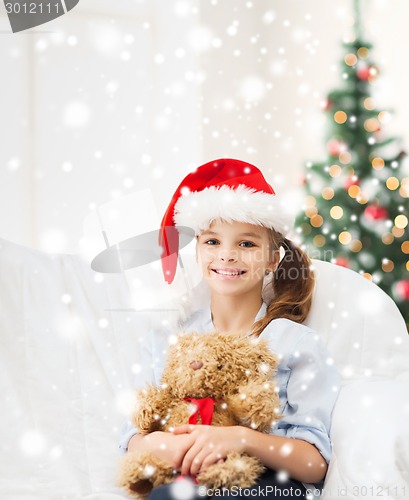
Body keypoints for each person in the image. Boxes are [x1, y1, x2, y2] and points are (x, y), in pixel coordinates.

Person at [119, 158, 341, 499]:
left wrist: (239, 438)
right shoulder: (166, 338)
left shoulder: (295, 343)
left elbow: (315, 462)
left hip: (264, 485)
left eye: (246, 244)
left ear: (272, 258)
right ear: (197, 250)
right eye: (212, 242)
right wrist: (156, 443)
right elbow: (131, 436)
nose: (227, 255)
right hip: (185, 481)